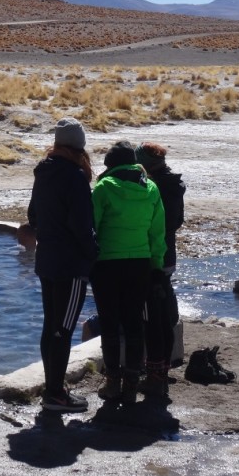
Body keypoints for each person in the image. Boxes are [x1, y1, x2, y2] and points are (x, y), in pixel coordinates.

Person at [27, 118, 98, 412]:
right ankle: (56, 394)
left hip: (46, 259)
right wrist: (93, 254)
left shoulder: (43, 174)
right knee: (63, 329)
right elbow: (82, 226)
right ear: (79, 147)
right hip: (70, 265)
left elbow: (33, 216)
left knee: (51, 326)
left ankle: (52, 389)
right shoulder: (74, 177)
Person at [90, 140, 167, 404]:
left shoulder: (102, 189)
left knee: (110, 324)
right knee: (134, 323)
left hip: (107, 264)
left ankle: (112, 383)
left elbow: (93, 229)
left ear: (109, 165)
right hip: (141, 264)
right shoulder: (151, 188)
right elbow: (157, 233)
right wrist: (156, 266)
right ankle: (132, 383)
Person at [135, 142, 187, 374]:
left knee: (152, 308)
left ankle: (155, 364)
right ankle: (167, 359)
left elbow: (156, 222)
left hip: (153, 253)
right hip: (168, 252)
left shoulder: (153, 186)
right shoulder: (174, 183)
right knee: (165, 299)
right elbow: (176, 222)